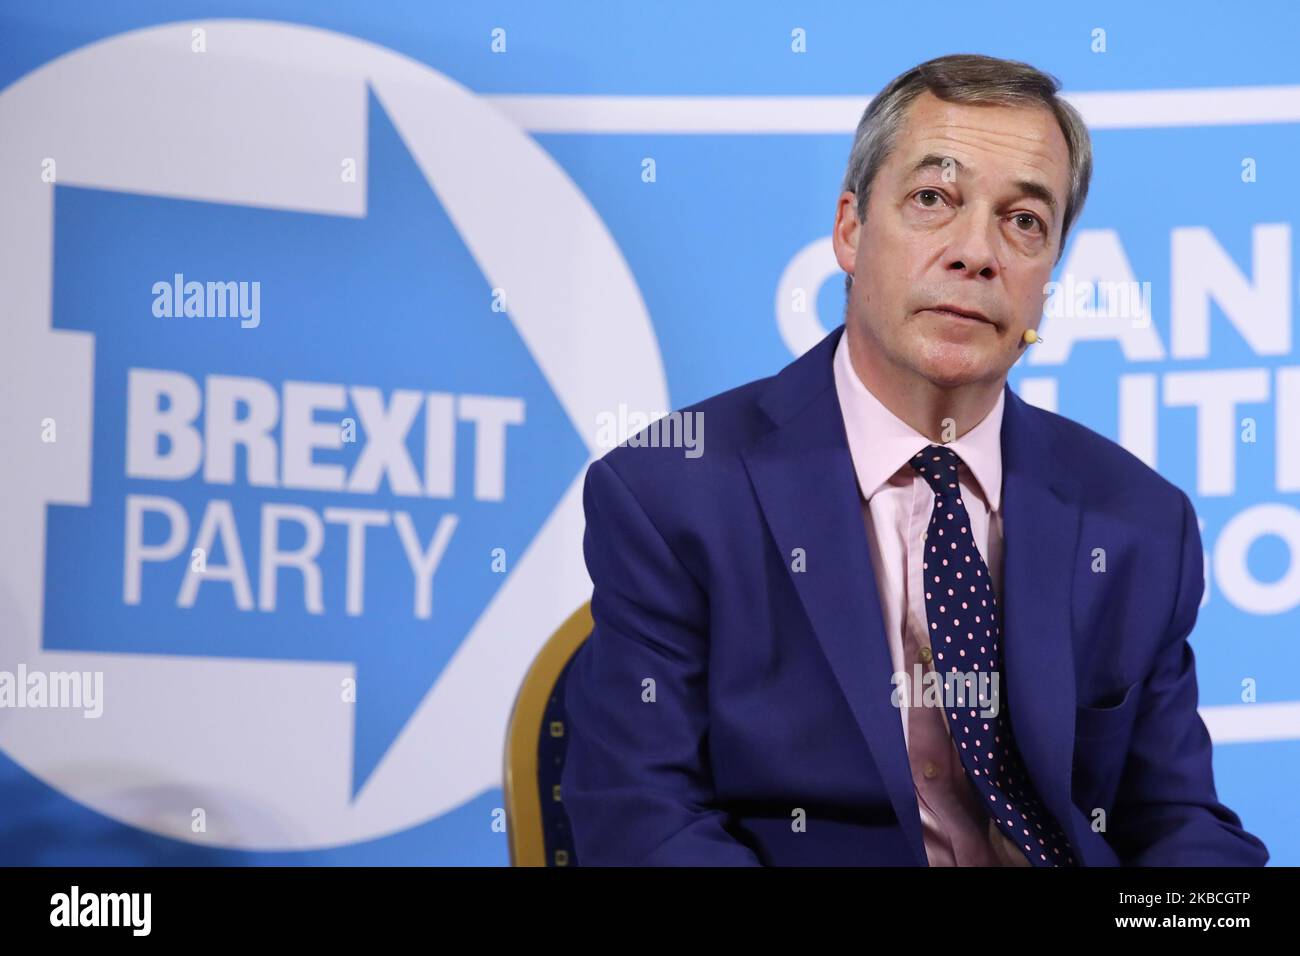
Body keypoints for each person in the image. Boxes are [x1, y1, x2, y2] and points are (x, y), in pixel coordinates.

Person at [559, 53, 1270, 866]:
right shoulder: (671, 492)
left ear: (1050, 276)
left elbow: (1181, 822)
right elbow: (641, 822)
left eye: (1024, 221)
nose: (977, 253)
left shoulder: (1139, 519)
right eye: (934, 199)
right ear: (851, 230)